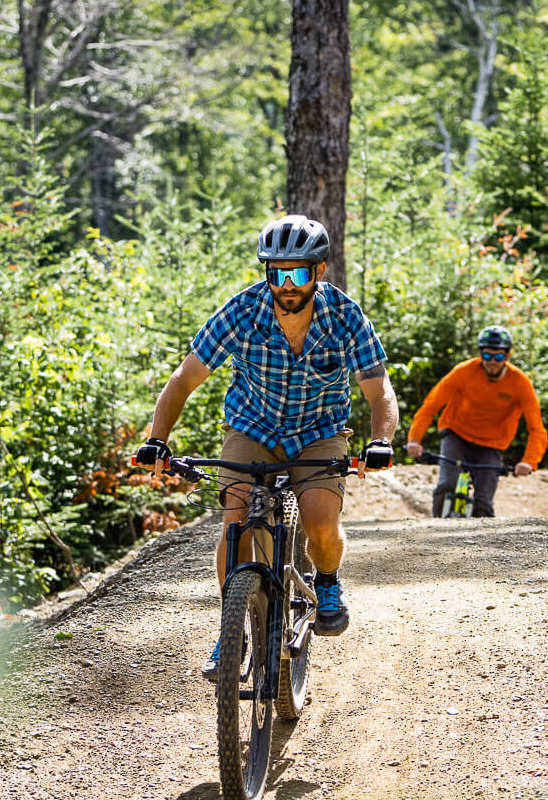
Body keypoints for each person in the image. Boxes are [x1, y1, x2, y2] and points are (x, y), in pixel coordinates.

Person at [134, 214, 399, 681]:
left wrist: (381, 441)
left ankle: (328, 581)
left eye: (297, 272)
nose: (286, 284)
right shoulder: (242, 312)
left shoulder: (345, 317)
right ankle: (231, 629)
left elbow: (379, 392)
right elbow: (184, 379)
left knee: (320, 521)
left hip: (318, 432)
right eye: (276, 272)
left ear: (318, 272)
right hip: (251, 428)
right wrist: (157, 439)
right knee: (236, 519)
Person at [404, 326, 547, 517]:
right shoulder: (463, 372)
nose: (492, 362)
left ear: (507, 356)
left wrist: (529, 462)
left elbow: (536, 429)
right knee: (447, 485)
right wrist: (414, 440)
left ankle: (483, 545)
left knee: (483, 502)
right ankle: (435, 530)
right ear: (480, 354)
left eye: (498, 357)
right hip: (456, 435)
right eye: (487, 356)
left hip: (492, 444)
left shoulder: (519, 383)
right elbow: (430, 406)